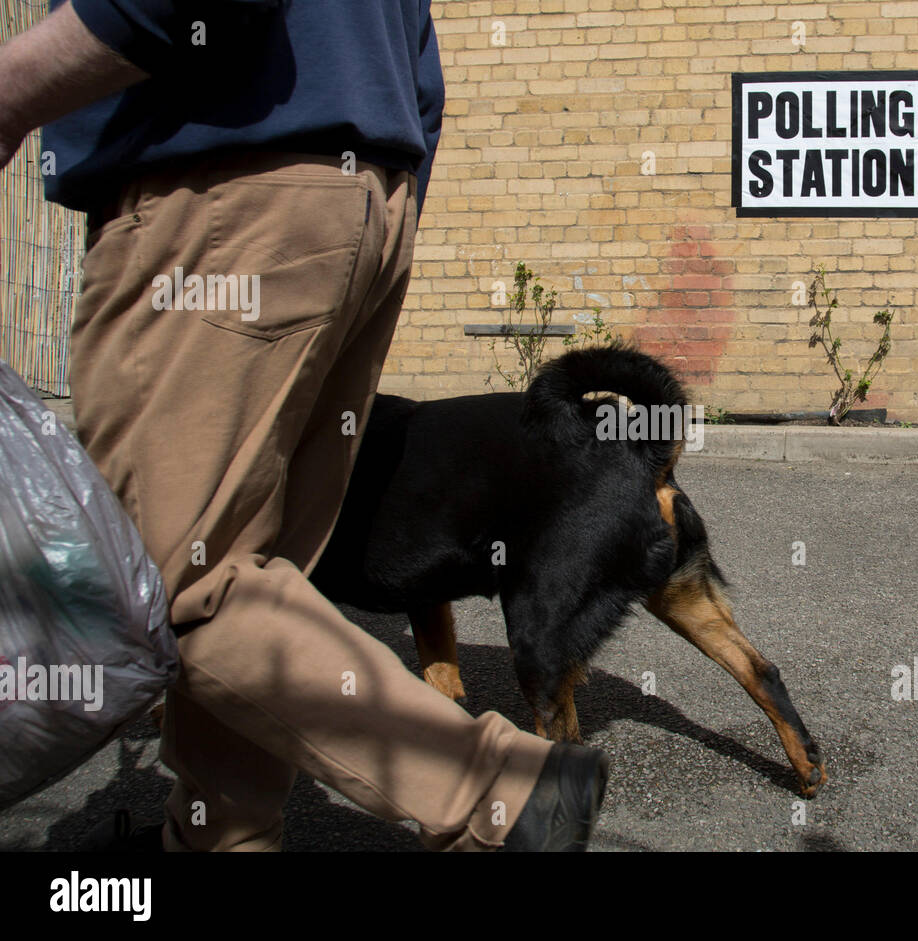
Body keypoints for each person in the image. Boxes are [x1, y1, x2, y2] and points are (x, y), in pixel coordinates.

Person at [0, 0, 609, 852]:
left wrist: (10, 89)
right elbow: (422, 74)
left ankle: (497, 787)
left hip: (216, 196)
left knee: (170, 584)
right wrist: (368, 205)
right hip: (356, 198)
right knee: (247, 579)